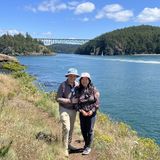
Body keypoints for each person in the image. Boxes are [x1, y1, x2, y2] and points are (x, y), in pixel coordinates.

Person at [72, 72, 100, 155]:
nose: (84, 81)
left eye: (86, 79)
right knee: (83, 130)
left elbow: (97, 102)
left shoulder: (94, 89)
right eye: (83, 79)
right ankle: (86, 144)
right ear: (80, 80)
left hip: (92, 113)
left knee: (90, 130)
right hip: (82, 113)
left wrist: (92, 110)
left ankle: (88, 147)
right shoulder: (77, 89)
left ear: (89, 80)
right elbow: (75, 103)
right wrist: (81, 111)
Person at [56, 68, 79, 157]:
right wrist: (69, 101)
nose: (72, 77)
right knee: (67, 127)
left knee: (71, 129)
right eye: (71, 76)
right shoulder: (63, 85)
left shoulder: (77, 85)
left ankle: (68, 144)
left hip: (73, 110)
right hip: (64, 109)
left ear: (76, 77)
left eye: (74, 76)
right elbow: (57, 98)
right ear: (68, 76)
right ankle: (65, 148)